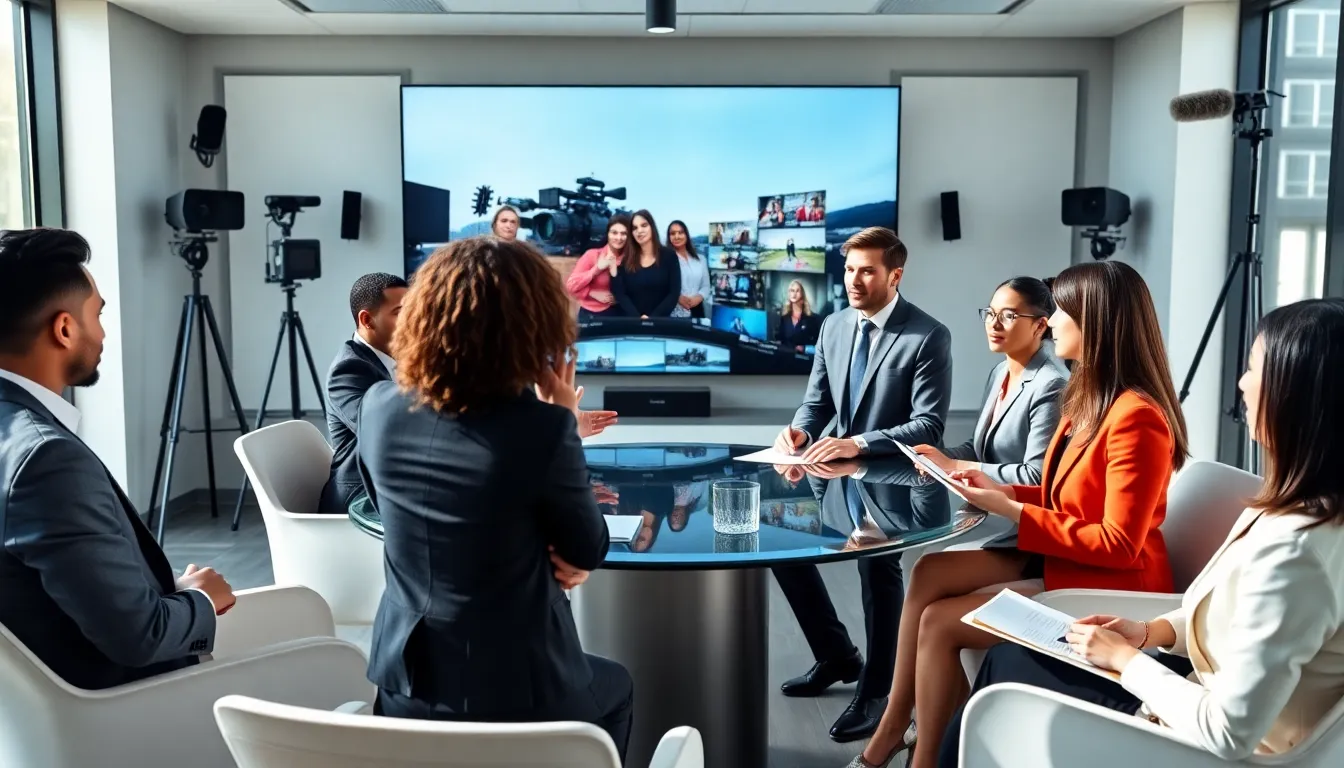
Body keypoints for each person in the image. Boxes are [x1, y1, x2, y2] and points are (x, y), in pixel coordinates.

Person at [938, 297, 1344, 767]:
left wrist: (1127, 661)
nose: (1242, 383)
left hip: (1195, 742)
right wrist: (1147, 633)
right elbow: (1231, 619)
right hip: (1192, 687)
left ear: (1297, 396)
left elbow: (1229, 732)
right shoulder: (1298, 510)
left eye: (1254, 367)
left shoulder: (1298, 550)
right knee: (1007, 654)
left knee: (1006, 671)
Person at [852, 260, 1187, 768]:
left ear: (1095, 323)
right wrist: (992, 487)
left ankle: (922, 754)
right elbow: (1057, 493)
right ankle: (910, 735)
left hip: (1105, 586)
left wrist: (1009, 506)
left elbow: (1120, 544)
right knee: (931, 583)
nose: (1051, 323)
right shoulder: (1087, 400)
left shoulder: (1137, 418)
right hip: (1063, 559)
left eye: (1061, 313)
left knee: (940, 623)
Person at [358, 236, 633, 758]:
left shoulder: (376, 406)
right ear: (529, 327)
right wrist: (563, 421)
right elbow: (586, 550)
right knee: (615, 687)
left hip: (405, 687)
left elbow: (399, 510)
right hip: (520, 696)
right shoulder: (542, 429)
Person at [0, 227, 234, 690]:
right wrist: (202, 599)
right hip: (126, 709)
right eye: (97, 314)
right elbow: (138, 639)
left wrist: (171, 596)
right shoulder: (47, 460)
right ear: (64, 329)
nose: (103, 331)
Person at [771, 227, 953, 743]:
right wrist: (801, 430)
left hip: (895, 478)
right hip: (832, 473)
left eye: (867, 270)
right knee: (785, 547)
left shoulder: (927, 335)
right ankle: (836, 655)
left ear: (895, 275)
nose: (854, 279)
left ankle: (878, 691)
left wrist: (857, 442)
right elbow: (817, 402)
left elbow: (929, 425)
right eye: (849, 269)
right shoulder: (832, 326)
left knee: (877, 566)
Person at [912, 276, 1068, 486]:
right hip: (989, 504)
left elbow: (1036, 476)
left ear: (1040, 326)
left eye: (1008, 316)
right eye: (991, 313)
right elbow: (981, 450)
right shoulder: (1000, 371)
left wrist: (955, 466)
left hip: (1021, 512)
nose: (994, 324)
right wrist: (937, 459)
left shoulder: (1051, 384)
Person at [318, 272, 408, 516]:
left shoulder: (402, 359)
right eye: (400, 313)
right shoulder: (348, 370)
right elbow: (384, 433)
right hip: (361, 499)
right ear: (367, 320)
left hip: (395, 487)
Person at [611, 210, 681, 319]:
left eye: (644, 225)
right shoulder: (627, 259)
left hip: (660, 324)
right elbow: (620, 293)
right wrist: (637, 318)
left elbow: (674, 293)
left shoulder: (669, 256)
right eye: (635, 228)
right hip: (633, 324)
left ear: (652, 227)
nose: (639, 231)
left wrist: (652, 319)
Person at [566, 214, 631, 320]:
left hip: (622, 314)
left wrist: (620, 298)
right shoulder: (592, 255)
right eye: (614, 233)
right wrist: (596, 270)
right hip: (592, 314)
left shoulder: (631, 260)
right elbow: (571, 286)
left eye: (624, 234)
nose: (618, 238)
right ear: (608, 234)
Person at [667, 220, 711, 320]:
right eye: (673, 233)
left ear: (686, 235)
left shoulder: (700, 259)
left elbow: (706, 286)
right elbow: (661, 287)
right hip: (674, 313)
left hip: (697, 309)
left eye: (680, 232)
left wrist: (698, 298)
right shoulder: (665, 260)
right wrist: (677, 297)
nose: (677, 236)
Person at [777, 279, 820, 352]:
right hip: (786, 358)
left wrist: (805, 349)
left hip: (804, 360)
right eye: (792, 290)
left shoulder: (812, 319)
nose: (794, 294)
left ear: (802, 294)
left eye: (797, 291)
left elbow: (819, 345)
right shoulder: (784, 318)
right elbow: (780, 340)